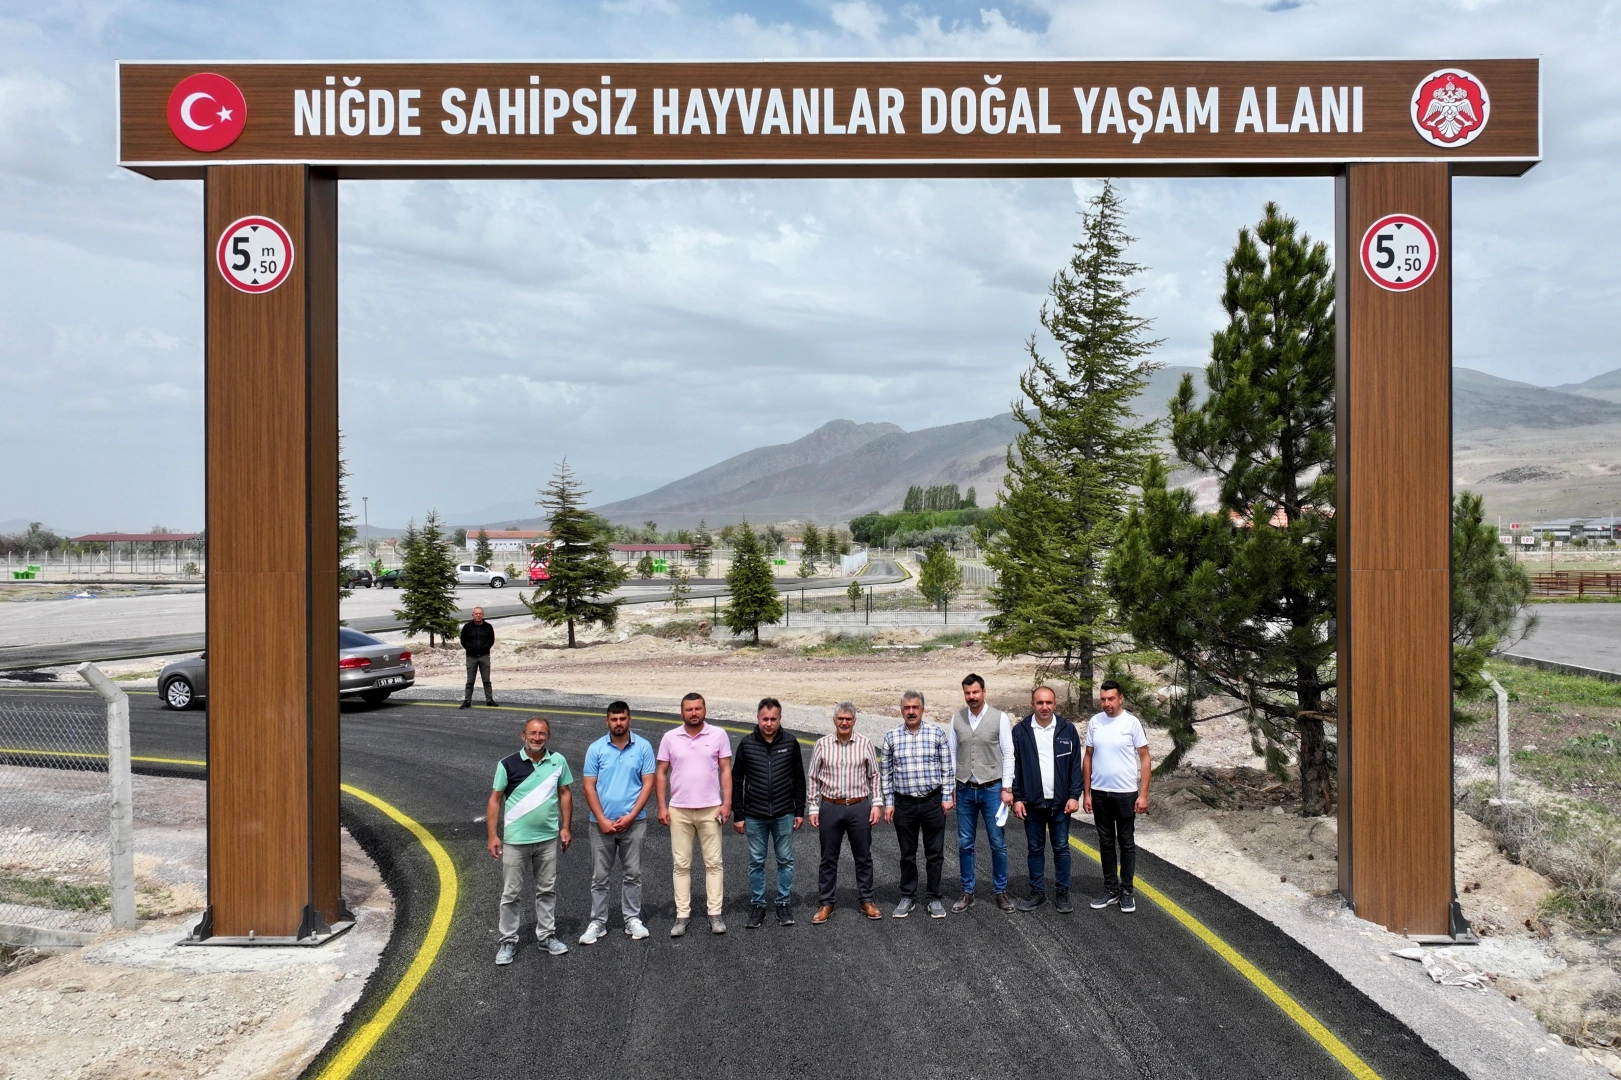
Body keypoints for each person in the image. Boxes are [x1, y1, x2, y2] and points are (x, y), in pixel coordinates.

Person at [486, 717, 572, 964]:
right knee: (511, 893)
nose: (537, 738)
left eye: (542, 733)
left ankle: (546, 936)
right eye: (532, 733)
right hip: (516, 840)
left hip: (547, 839)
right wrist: (492, 835)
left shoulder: (558, 761)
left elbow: (565, 794)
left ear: (548, 736)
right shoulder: (507, 764)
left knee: (546, 890)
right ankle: (508, 941)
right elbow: (495, 800)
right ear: (523, 735)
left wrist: (566, 827)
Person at [656, 692, 733, 937]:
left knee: (714, 863)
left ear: (704, 710)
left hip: (711, 809)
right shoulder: (670, 737)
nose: (693, 713)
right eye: (689, 709)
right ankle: (682, 916)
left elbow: (725, 770)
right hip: (679, 810)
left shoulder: (718, 735)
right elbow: (661, 772)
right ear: (682, 711)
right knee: (681, 865)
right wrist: (661, 806)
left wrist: (727, 803)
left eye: (698, 708)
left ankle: (715, 914)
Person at [579, 701, 656, 944]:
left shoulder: (643, 747)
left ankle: (632, 918)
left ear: (629, 719)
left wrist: (631, 816)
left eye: (622, 718)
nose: (618, 723)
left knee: (633, 874)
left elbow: (648, 783)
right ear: (607, 721)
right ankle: (598, 922)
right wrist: (602, 819)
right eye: (614, 719)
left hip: (634, 823)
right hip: (600, 825)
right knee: (600, 877)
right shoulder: (596, 749)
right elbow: (589, 786)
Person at [731, 697, 807, 928]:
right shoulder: (747, 744)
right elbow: (737, 780)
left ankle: (783, 903)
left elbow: (799, 779)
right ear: (758, 718)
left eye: (773, 719)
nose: (769, 723)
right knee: (756, 861)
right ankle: (758, 905)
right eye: (765, 719)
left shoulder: (790, 742)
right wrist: (738, 814)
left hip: (784, 813)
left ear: (780, 719)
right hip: (754, 814)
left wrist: (799, 810)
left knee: (785, 860)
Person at [806, 702, 884, 924]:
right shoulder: (822, 745)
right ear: (834, 720)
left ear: (854, 721)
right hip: (831, 806)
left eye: (848, 719)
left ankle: (867, 900)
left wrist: (876, 804)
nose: (844, 722)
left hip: (859, 806)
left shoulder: (865, 744)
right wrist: (813, 807)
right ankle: (826, 903)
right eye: (840, 718)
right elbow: (813, 777)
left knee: (863, 856)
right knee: (828, 858)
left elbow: (874, 775)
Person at [1011, 686, 1084, 913]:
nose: (1045, 707)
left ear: (1055, 704)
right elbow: (1014, 767)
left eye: (1049, 703)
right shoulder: (1021, 731)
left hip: (1060, 803)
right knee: (1035, 849)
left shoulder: (1067, 729)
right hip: (1032, 803)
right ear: (1032, 704)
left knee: (1061, 848)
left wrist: (1074, 795)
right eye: (1040, 703)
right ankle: (1037, 892)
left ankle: (1062, 893)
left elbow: (1075, 765)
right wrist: (1017, 798)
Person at [882, 690, 954, 919]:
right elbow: (886, 774)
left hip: (932, 801)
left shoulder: (936, 733)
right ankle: (907, 896)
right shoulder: (891, 737)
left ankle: (934, 898)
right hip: (904, 804)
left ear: (922, 709)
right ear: (901, 710)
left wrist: (947, 797)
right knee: (907, 853)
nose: (911, 711)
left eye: (915, 707)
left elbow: (947, 768)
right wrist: (888, 803)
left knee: (935, 853)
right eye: (907, 708)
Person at [947, 673, 1015, 913]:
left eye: (975, 692)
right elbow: (952, 754)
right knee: (965, 843)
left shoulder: (1000, 718)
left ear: (984, 692)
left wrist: (1007, 788)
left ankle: (1000, 891)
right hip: (965, 789)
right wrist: (952, 787)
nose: (971, 696)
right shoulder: (956, 718)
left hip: (992, 789)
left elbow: (1008, 753)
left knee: (997, 843)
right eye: (967, 693)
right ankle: (967, 891)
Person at [1082, 680, 1152, 914]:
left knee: (1126, 842)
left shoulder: (1132, 723)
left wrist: (1143, 794)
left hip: (1125, 794)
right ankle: (1110, 889)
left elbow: (1145, 758)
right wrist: (1086, 793)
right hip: (1100, 793)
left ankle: (1127, 891)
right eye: (1103, 699)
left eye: (1111, 698)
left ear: (1120, 698)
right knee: (1105, 842)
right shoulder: (1095, 722)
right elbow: (1088, 757)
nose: (1107, 703)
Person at [460, 607, 498, 708]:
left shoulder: (488, 627)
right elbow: (463, 640)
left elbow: (491, 640)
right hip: (471, 657)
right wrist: (470, 648)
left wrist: (485, 648)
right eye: (476, 614)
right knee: (470, 681)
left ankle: (489, 700)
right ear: (472, 615)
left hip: (484, 656)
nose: (478, 615)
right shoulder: (467, 627)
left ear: (483, 615)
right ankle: (467, 701)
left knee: (486, 680)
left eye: (480, 613)